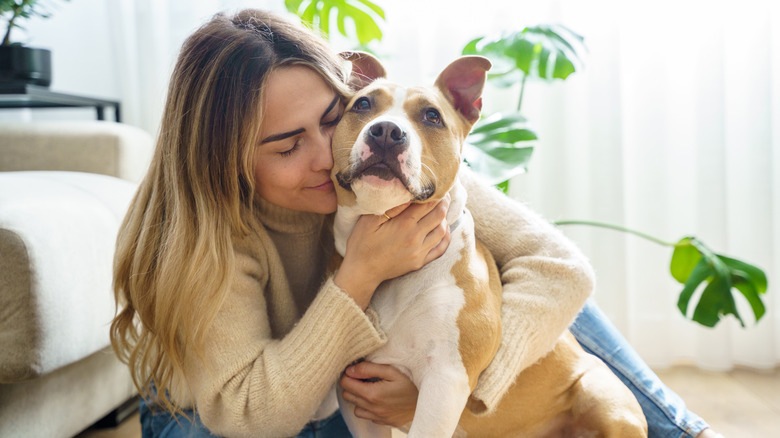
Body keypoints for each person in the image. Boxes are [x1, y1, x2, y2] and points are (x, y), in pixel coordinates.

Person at [110, 8, 720, 438]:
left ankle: (683, 431)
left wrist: (466, 387)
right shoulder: (206, 236)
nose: (328, 155)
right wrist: (363, 271)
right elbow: (252, 414)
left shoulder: (387, 160)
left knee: (485, 267)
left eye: (331, 118)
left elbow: (560, 269)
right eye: (287, 145)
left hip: (338, 387)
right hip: (218, 416)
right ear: (230, 160)